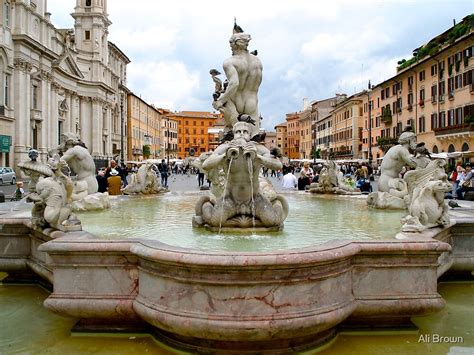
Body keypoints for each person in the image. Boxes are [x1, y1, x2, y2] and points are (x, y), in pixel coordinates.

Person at [212, 21, 263, 138]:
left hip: (236, 102)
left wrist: (220, 100)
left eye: (231, 45)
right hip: (252, 103)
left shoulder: (229, 62)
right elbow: (257, 84)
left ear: (234, 45)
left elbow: (234, 83)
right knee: (252, 141)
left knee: (236, 138)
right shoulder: (257, 61)